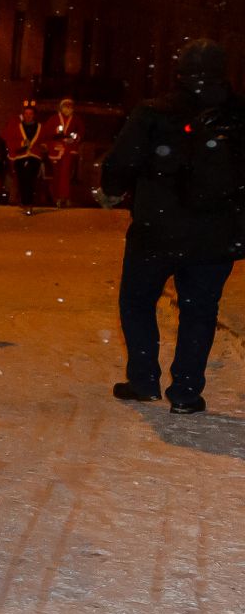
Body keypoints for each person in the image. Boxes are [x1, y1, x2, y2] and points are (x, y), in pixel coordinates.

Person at [102, 40, 244, 415]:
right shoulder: (239, 116)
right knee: (200, 310)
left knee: (136, 301)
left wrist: (114, 189)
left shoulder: (154, 113)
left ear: (179, 72)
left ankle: (144, 378)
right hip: (216, 233)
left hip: (156, 229)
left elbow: (121, 164)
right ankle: (185, 391)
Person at [43, 97, 81, 208]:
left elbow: (80, 132)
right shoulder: (53, 119)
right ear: (61, 107)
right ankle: (56, 196)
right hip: (55, 149)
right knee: (56, 174)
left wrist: (74, 138)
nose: (68, 108)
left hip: (69, 150)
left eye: (70, 106)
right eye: (66, 106)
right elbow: (46, 133)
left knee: (65, 174)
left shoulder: (76, 120)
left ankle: (64, 196)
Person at [7, 101, 44, 213]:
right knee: (22, 180)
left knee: (31, 179)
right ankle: (24, 202)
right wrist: (21, 144)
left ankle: (29, 203)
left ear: (34, 115)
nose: (28, 116)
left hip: (34, 156)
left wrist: (44, 146)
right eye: (26, 113)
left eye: (30, 114)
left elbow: (45, 140)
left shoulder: (40, 127)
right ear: (23, 115)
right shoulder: (17, 126)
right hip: (20, 156)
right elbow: (10, 140)